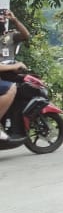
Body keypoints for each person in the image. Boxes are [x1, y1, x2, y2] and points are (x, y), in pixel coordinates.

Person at [0, 9, 29, 141]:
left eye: (3, 18)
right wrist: (15, 66)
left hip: (9, 75)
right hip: (4, 75)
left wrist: (14, 20)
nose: (2, 19)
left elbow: (26, 35)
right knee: (10, 88)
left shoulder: (9, 36)